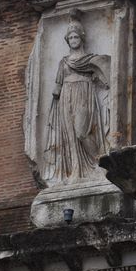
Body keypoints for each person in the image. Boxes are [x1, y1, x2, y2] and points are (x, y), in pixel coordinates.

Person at [43, 16, 111, 183]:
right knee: (70, 136)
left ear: (81, 38)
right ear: (67, 41)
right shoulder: (63, 62)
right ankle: (76, 170)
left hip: (84, 95)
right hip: (66, 97)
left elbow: (106, 78)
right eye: (70, 37)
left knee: (82, 132)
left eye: (76, 37)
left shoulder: (90, 59)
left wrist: (99, 76)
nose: (73, 40)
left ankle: (99, 164)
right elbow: (57, 88)